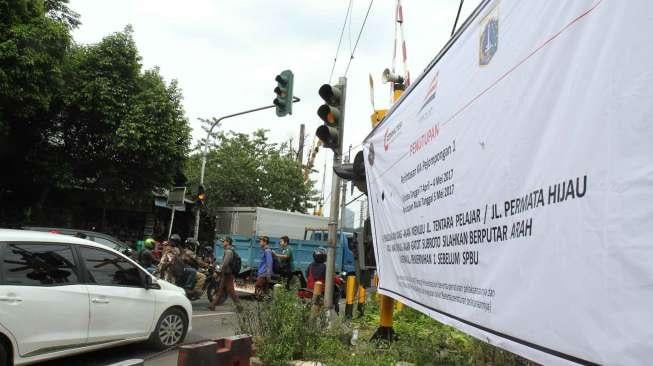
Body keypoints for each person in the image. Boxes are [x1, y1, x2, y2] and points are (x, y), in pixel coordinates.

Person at [209, 237, 242, 311]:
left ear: (228, 242)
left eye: (224, 242)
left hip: (227, 274)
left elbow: (225, 264)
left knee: (231, 291)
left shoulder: (229, 252)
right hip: (226, 273)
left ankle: (239, 306)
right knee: (220, 289)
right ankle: (212, 305)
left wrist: (218, 272)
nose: (222, 243)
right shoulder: (229, 251)